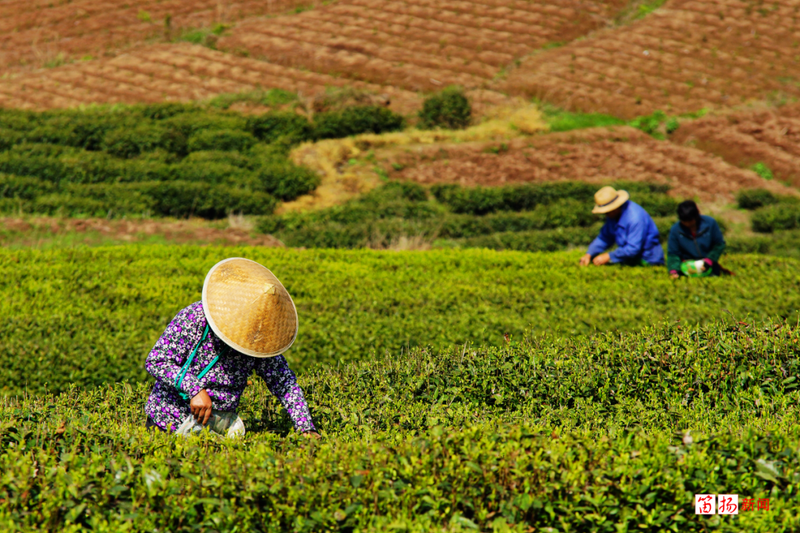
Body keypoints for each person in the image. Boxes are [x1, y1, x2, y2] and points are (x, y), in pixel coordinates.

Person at [144, 257, 319, 438]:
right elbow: (157, 360)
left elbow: (284, 382)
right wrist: (194, 389)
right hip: (167, 420)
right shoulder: (195, 317)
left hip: (216, 426)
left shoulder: (260, 338)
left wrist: (305, 427)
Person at [579, 186, 664, 267]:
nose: (605, 214)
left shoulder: (635, 218)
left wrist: (609, 256)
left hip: (648, 260)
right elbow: (605, 237)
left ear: (616, 207)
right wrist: (589, 254)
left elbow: (633, 248)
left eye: (607, 211)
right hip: (628, 260)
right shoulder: (613, 215)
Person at [667, 200, 729, 278]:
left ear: (696, 216)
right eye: (684, 221)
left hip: (710, 268)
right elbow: (673, 253)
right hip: (687, 270)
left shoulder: (710, 223)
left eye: (690, 221)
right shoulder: (675, 230)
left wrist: (710, 259)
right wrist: (673, 270)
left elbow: (719, 244)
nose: (687, 224)